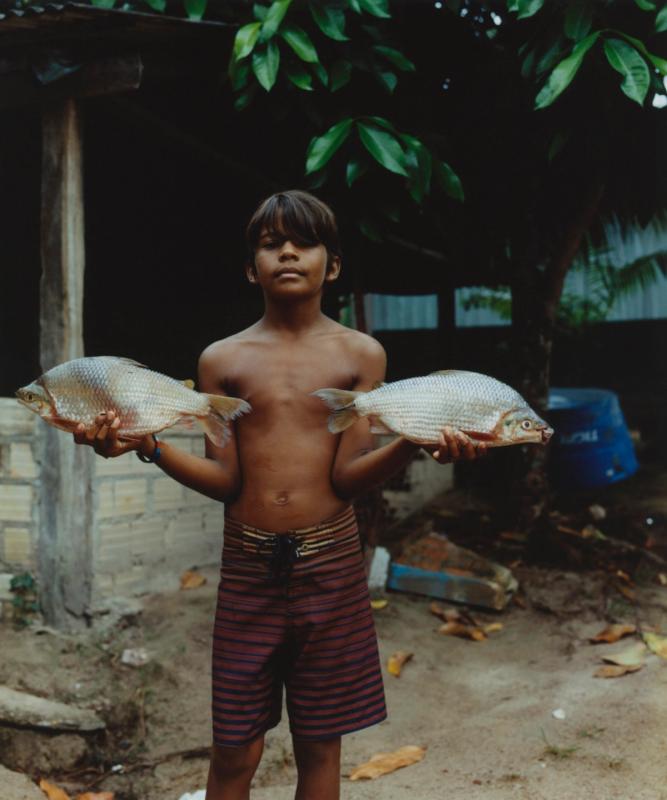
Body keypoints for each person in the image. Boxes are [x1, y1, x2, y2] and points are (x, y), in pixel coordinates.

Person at [74, 190, 485, 800]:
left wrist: (415, 443)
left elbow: (347, 479)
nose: (287, 252)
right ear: (252, 267)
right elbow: (228, 483)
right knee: (234, 751)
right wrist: (146, 446)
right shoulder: (223, 359)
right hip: (248, 567)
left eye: (304, 242)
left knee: (320, 749)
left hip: (333, 566)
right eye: (271, 244)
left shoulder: (360, 354)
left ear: (333, 264)